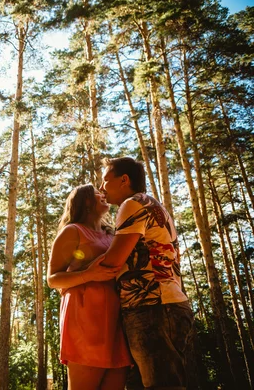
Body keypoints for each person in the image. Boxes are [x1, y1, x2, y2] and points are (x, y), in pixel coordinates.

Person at [97, 157, 194, 390]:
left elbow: (113, 261)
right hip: (167, 305)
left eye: (105, 181)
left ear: (124, 180)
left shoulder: (132, 204)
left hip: (153, 308)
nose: (101, 188)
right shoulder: (152, 205)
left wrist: (75, 274)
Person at [47, 184, 132, 390]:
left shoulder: (113, 234)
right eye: (97, 193)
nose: (103, 194)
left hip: (116, 319)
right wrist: (89, 274)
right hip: (84, 319)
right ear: (86, 201)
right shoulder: (72, 231)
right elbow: (53, 279)